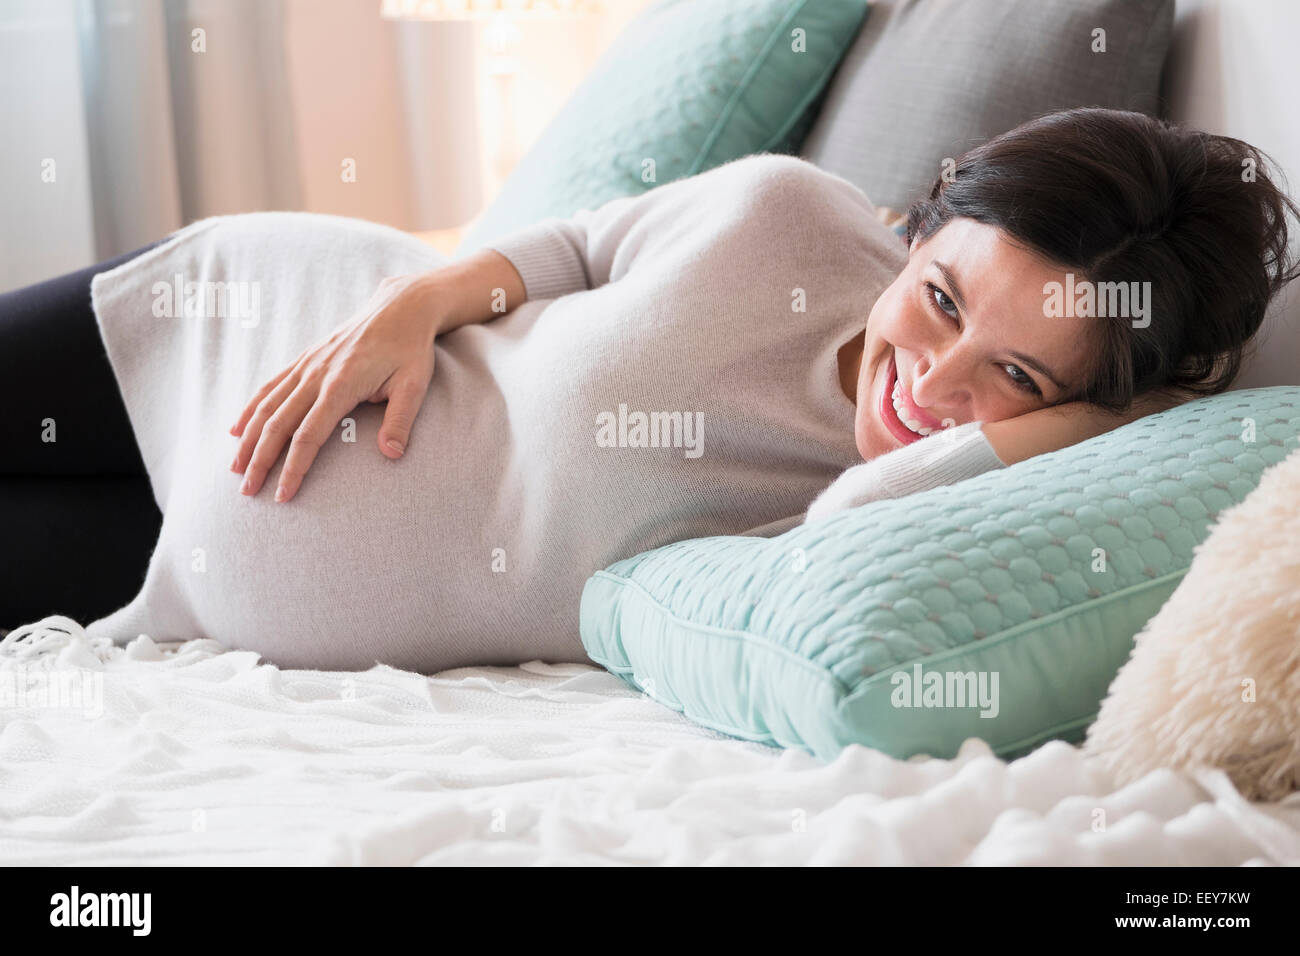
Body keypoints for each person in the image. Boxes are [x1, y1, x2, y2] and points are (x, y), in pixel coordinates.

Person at [2, 107, 1295, 671]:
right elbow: (574, 245)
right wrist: (413, 308)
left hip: (190, 574)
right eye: (943, 299)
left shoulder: (906, 513)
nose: (930, 381)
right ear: (921, 226)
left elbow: (847, 539)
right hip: (256, 313)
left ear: (1090, 410)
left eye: (1015, 373)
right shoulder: (784, 218)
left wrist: (1101, 422)